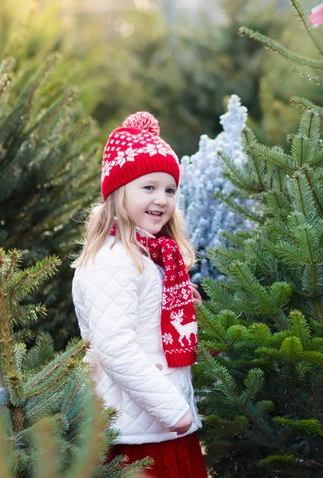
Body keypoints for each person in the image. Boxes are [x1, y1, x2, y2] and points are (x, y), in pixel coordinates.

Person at [72, 112, 207, 477]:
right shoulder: (112, 260)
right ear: (118, 193)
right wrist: (173, 409)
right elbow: (115, 348)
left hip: (164, 425)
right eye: (148, 187)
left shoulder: (154, 256)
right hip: (137, 439)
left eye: (169, 189)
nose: (161, 200)